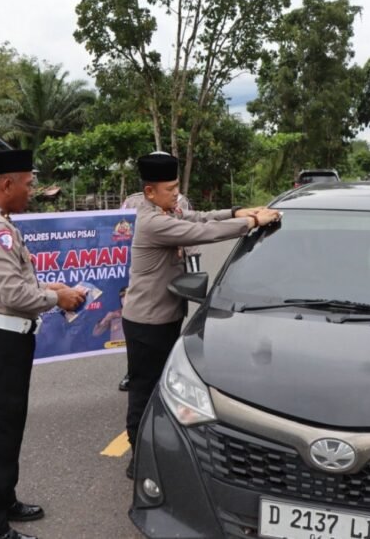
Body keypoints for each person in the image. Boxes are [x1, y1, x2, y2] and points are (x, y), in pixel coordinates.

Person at [122, 152, 282, 479]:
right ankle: (137, 459)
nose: (177, 193)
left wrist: (237, 211)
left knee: (159, 385)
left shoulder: (167, 210)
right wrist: (252, 222)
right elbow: (203, 233)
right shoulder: (152, 222)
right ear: (150, 192)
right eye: (170, 188)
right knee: (144, 390)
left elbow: (199, 217)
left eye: (177, 186)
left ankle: (154, 449)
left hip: (163, 316)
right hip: (146, 322)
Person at [0, 149, 86, 539]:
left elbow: (15, 283)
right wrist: (57, 298)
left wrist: (49, 287)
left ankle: (4, 500)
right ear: (7, 184)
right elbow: (14, 295)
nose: (32, 191)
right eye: (29, 184)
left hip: (8, 342)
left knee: (8, 429)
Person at [116, 185, 201, 391]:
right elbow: (118, 232)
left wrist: (195, 275)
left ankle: (168, 378)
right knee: (139, 338)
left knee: (167, 334)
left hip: (170, 275)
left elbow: (192, 240)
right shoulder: (132, 202)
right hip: (139, 270)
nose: (173, 190)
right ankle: (133, 373)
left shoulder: (180, 202)